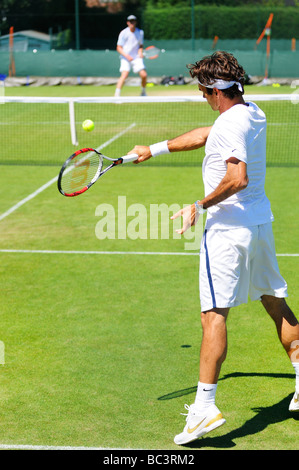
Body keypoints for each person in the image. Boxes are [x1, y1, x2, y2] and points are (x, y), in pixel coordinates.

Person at [127, 51, 299, 445]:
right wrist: (152, 149)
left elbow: (236, 177)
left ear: (213, 91)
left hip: (227, 232)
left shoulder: (229, 125)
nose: (203, 97)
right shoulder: (251, 111)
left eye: (204, 92)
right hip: (259, 225)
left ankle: (204, 409)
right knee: (275, 300)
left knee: (213, 317)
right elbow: (208, 134)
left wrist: (199, 204)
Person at [115, 15, 147, 97]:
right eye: (130, 21)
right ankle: (117, 95)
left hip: (136, 57)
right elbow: (118, 47)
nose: (132, 23)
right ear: (127, 22)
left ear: (135, 22)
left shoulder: (140, 32)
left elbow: (140, 45)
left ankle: (143, 93)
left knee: (144, 75)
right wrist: (127, 56)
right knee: (124, 74)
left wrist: (140, 52)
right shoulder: (123, 33)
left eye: (133, 21)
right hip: (125, 57)